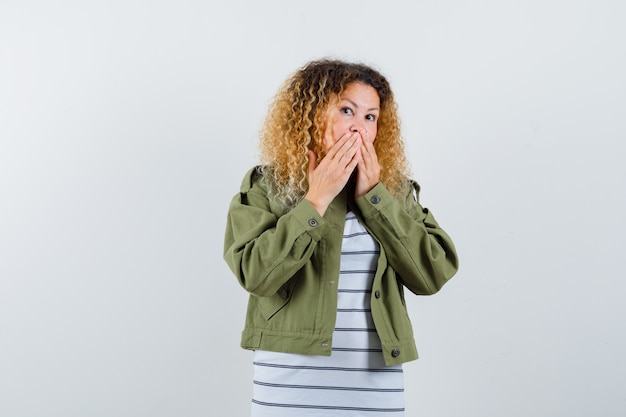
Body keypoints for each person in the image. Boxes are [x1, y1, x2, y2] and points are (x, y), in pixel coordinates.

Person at [223, 59, 459, 416]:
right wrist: (315, 200)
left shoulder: (395, 192)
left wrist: (375, 197)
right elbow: (256, 274)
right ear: (312, 114)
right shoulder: (266, 186)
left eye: (370, 117)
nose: (358, 129)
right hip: (288, 388)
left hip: (374, 389)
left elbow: (432, 275)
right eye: (347, 110)